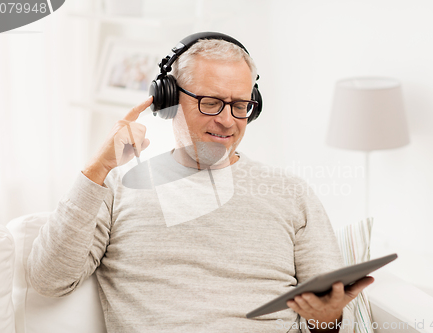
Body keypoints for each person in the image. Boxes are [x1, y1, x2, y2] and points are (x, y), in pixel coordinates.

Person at [28, 32, 373, 333]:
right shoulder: (117, 187)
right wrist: (97, 167)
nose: (227, 121)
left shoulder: (291, 192)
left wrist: (327, 320)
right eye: (211, 103)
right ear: (170, 100)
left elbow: (329, 317)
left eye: (240, 105)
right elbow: (48, 280)